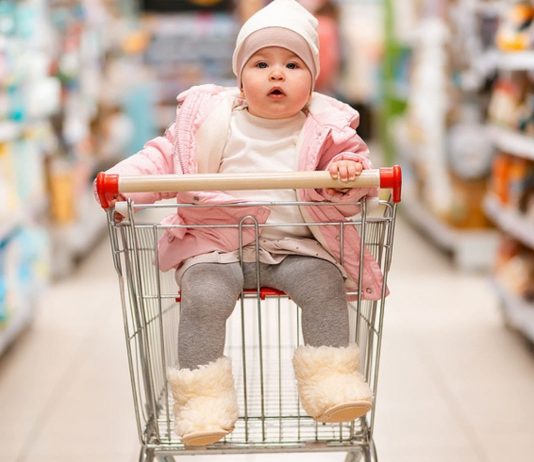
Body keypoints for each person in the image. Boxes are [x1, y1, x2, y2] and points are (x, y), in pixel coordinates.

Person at [101, 0, 385, 447]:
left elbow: (349, 184)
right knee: (204, 295)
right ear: (239, 76)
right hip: (215, 243)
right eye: (261, 63)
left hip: (295, 247)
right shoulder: (210, 122)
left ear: (313, 78)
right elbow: (163, 158)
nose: (277, 74)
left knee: (325, 283)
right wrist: (125, 182)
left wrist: (346, 176)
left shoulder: (328, 131)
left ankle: (331, 383)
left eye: (293, 64)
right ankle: (202, 403)